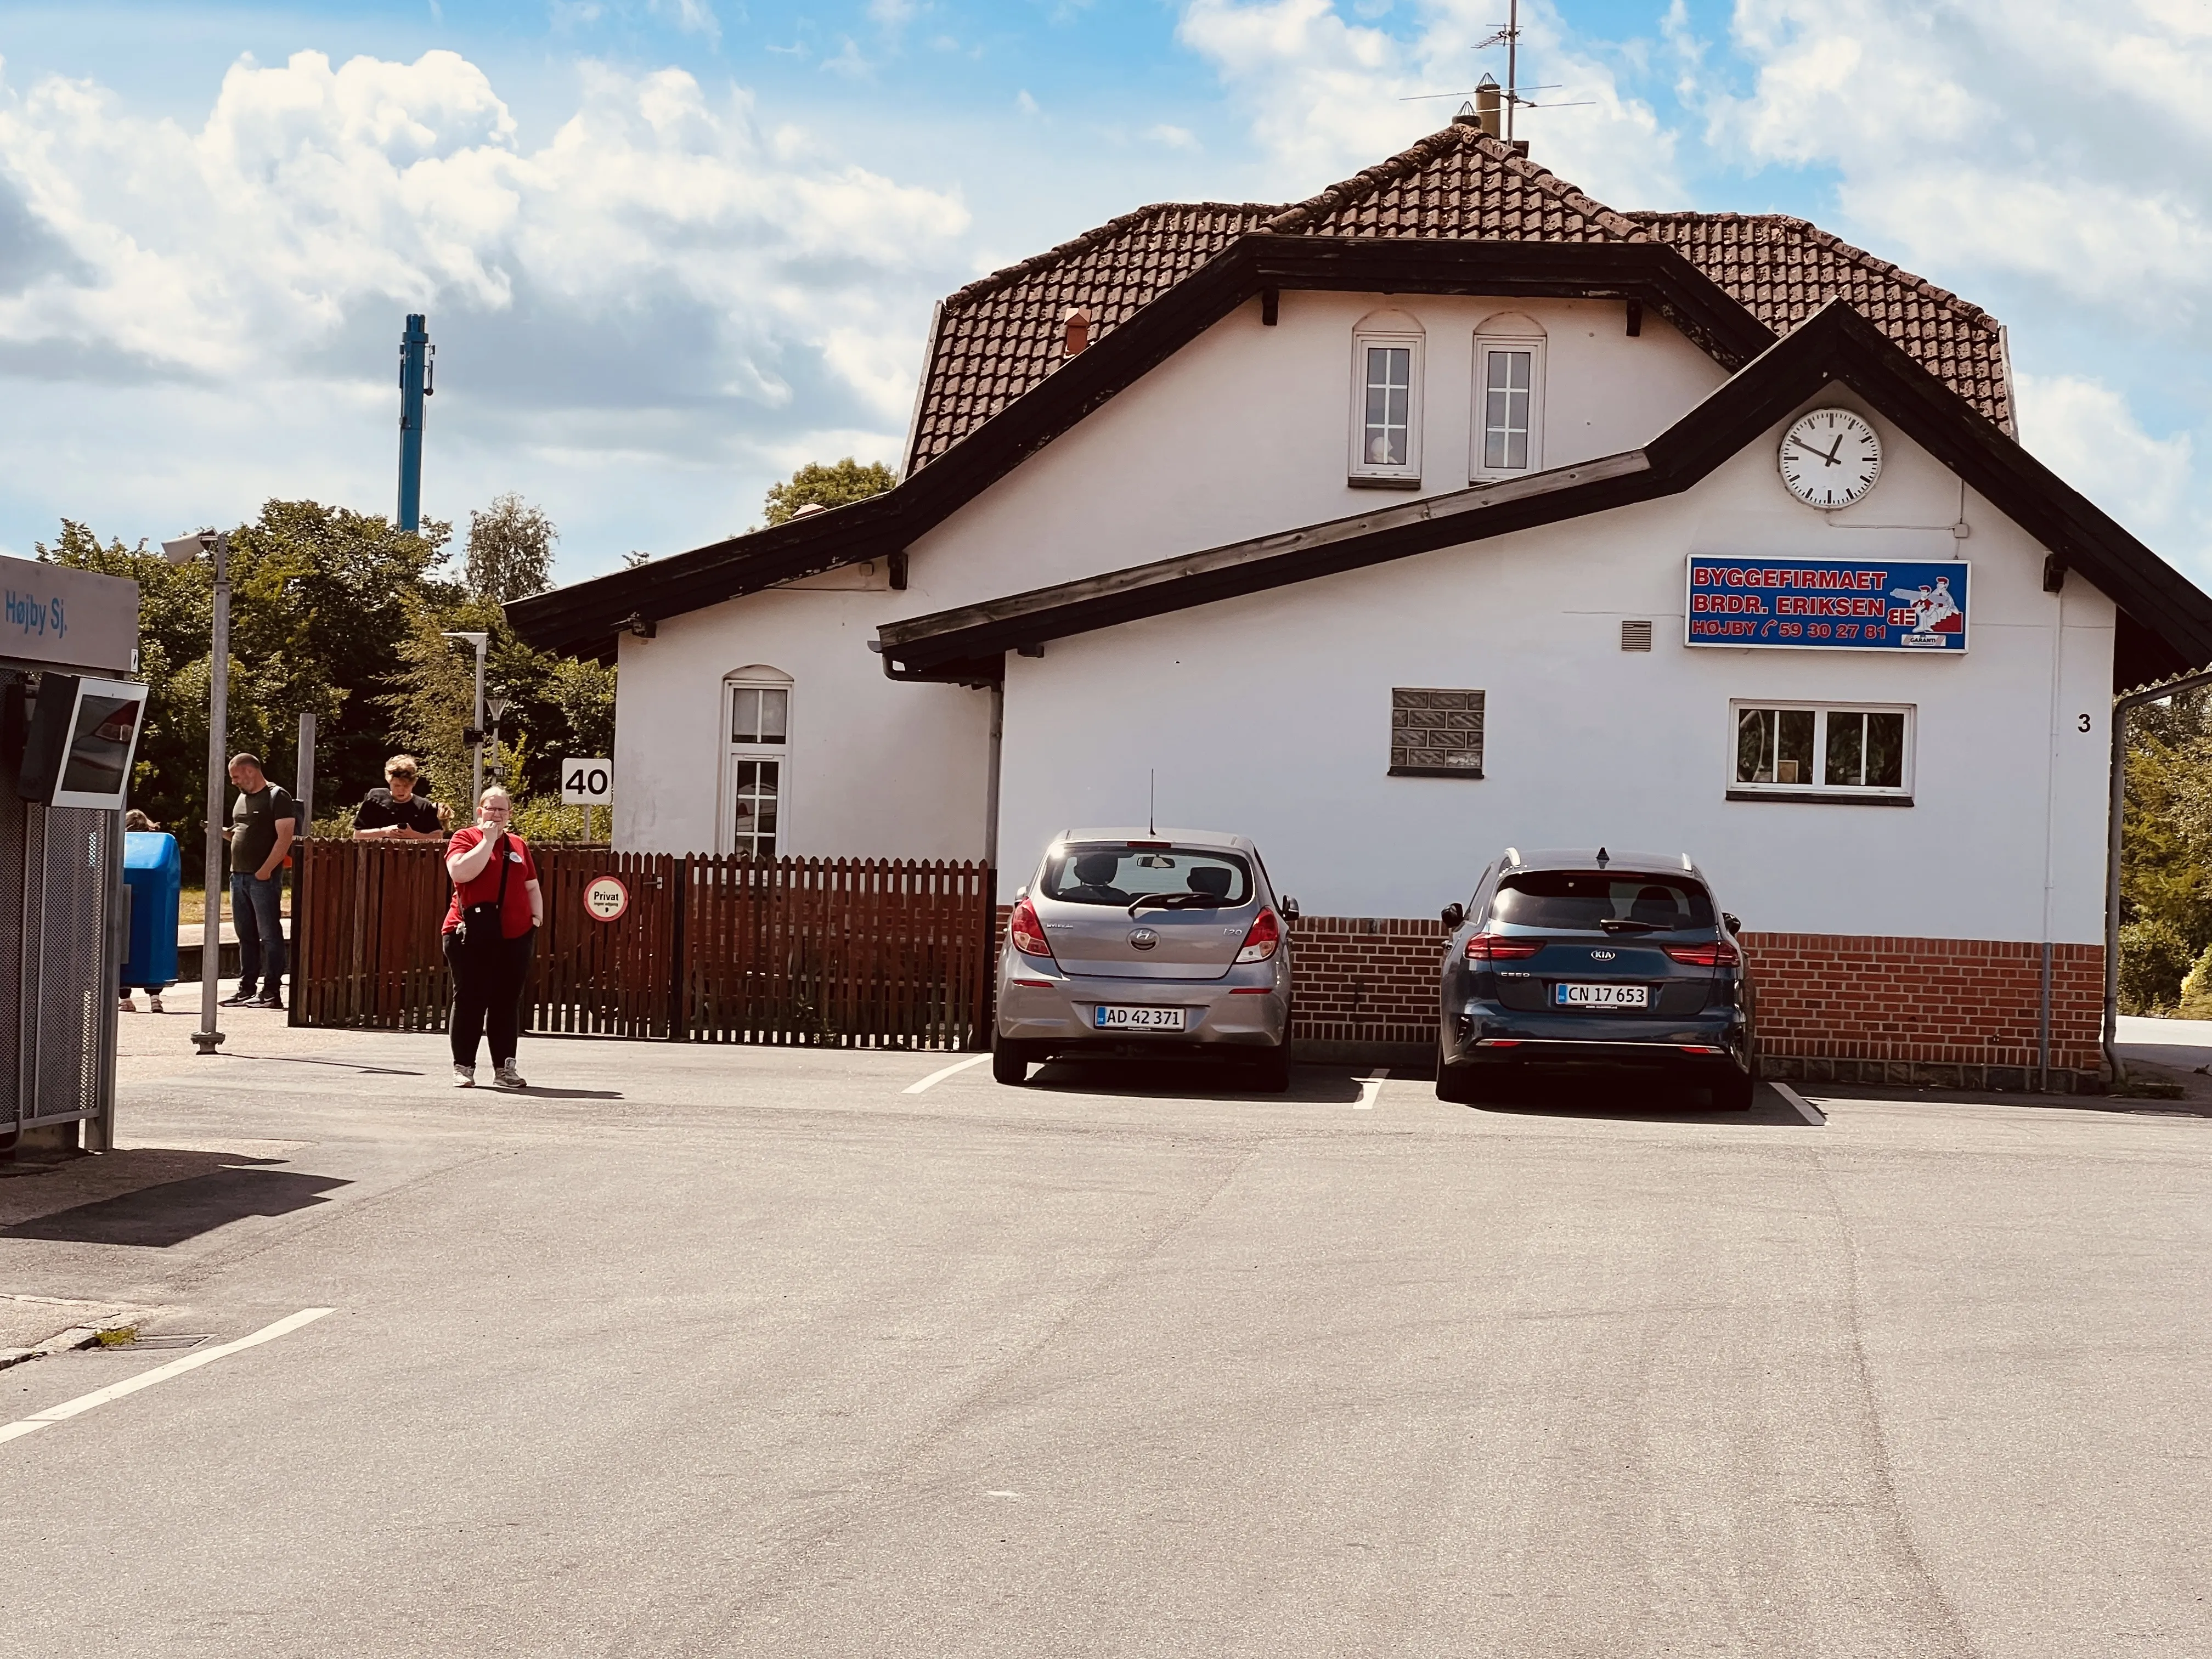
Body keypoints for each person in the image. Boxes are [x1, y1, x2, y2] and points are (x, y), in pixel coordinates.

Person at [442, 786, 543, 1089]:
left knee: (506, 1001)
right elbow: (461, 873)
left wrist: (535, 919)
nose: (497, 814)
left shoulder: (519, 845)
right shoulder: (465, 838)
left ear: (510, 814)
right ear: (479, 811)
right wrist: (487, 840)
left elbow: (531, 886)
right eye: (491, 808)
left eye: (503, 809)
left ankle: (505, 1070)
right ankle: (464, 1068)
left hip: (515, 935)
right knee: (470, 998)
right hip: (468, 932)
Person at [219, 753, 293, 1011]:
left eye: (236, 776)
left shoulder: (278, 797)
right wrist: (223, 833)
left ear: (250, 771)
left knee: (269, 935)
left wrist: (266, 870)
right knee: (245, 935)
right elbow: (243, 833)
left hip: (262, 878)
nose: (234, 782)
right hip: (237, 875)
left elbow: (285, 838)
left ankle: (272, 991)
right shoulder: (241, 799)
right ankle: (247, 987)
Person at [120, 810, 168, 1013]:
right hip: (152, 911)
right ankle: (155, 999)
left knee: (121, 949)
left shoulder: (119, 845)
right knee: (152, 946)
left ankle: (125, 1000)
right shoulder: (157, 846)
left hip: (122, 905)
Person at [353, 755, 444, 840]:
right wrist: (384, 832)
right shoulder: (375, 799)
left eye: (406, 786)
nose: (401, 790)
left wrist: (413, 835)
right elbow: (358, 835)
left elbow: (438, 836)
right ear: (389, 781)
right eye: (397, 786)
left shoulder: (424, 806)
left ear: (414, 783)